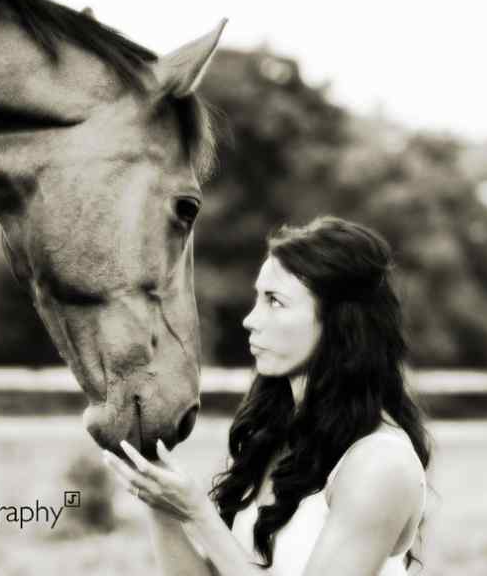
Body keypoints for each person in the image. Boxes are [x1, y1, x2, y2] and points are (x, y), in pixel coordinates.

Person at [103, 215, 432, 576]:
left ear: (341, 323)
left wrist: (199, 514)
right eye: (257, 298)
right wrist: (162, 504)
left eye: (274, 301)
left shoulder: (379, 464)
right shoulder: (275, 440)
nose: (250, 320)